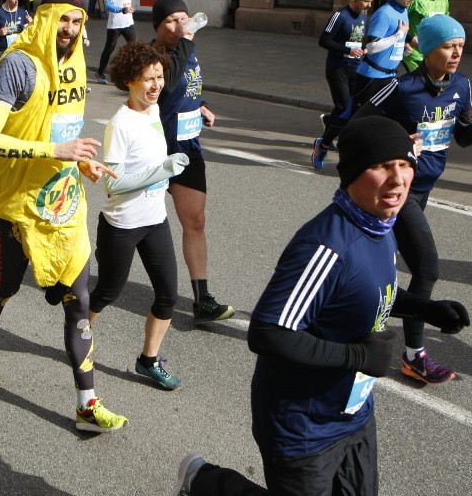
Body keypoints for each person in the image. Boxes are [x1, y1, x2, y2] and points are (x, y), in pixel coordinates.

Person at [172, 116, 469, 496]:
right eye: (381, 166)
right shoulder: (327, 245)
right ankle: (204, 482)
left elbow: (365, 293)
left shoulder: (380, 225)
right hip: (302, 425)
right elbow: (268, 332)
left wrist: (425, 309)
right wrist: (357, 356)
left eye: (405, 163)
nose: (398, 178)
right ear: (351, 174)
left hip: (353, 413)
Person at [0, 0, 128, 433]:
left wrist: (82, 165)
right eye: (64, 19)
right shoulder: (18, 66)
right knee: (6, 287)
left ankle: (86, 402)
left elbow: (62, 132)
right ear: (44, 17)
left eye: (78, 21)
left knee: (79, 302)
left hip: (64, 205)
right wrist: (54, 152)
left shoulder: (76, 65)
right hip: (21, 206)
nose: (71, 29)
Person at [351, 14, 471, 384]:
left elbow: (464, 137)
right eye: (449, 46)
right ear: (430, 48)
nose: (456, 54)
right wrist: (399, 141)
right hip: (397, 191)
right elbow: (359, 123)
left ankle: (355, 321)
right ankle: (414, 355)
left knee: (378, 263)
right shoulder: (402, 88)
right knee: (427, 268)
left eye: (461, 47)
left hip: (424, 189)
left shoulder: (462, 87)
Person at [88, 41, 190, 390]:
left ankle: (148, 360)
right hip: (122, 225)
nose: (156, 85)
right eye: (148, 78)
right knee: (106, 293)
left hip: (154, 221)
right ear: (129, 80)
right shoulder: (120, 124)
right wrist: (162, 172)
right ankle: (78, 334)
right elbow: (113, 186)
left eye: (159, 77)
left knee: (168, 295)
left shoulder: (153, 110)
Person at [151, 0, 234, 323]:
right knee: (134, 225)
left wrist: (200, 105)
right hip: (155, 152)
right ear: (157, 25)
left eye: (182, 18)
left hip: (188, 148)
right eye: (171, 20)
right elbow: (168, 85)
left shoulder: (187, 49)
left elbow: (188, 87)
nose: (179, 25)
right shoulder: (151, 55)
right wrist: (185, 42)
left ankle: (203, 300)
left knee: (195, 222)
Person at [313, 0, 416, 171]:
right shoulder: (384, 14)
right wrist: (399, 36)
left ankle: (377, 156)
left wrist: (403, 48)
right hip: (369, 76)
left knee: (388, 119)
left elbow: (390, 44)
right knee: (350, 115)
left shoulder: (403, 12)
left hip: (389, 75)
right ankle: (323, 144)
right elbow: (373, 45)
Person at [311, 0, 373, 163]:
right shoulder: (340, 16)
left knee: (351, 107)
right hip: (337, 68)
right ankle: (324, 141)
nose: (368, 5)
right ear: (355, 0)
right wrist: (347, 50)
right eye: (365, 1)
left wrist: (364, 49)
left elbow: (361, 39)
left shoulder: (363, 16)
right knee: (344, 106)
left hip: (355, 68)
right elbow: (324, 40)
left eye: (370, 1)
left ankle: (329, 122)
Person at [403, 0, 452, 73]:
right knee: (425, 82)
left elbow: (445, 21)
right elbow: (398, 20)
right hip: (414, 53)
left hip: (433, 52)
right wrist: (407, 40)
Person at [95, 0, 135, 84]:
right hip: (115, 25)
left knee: (134, 48)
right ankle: (100, 73)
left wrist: (130, 8)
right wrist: (121, 10)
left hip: (128, 23)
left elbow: (126, 2)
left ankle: (132, 75)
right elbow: (108, 5)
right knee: (109, 48)